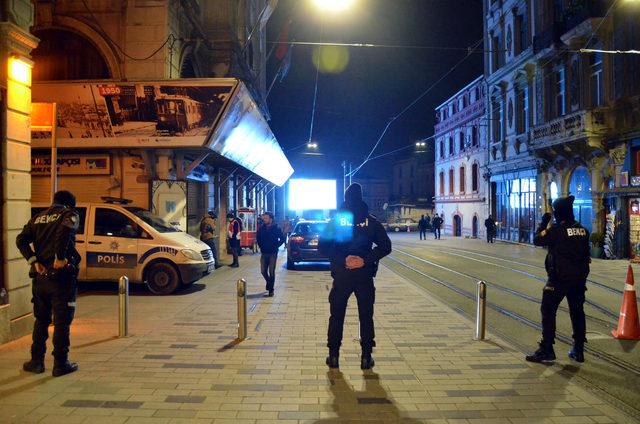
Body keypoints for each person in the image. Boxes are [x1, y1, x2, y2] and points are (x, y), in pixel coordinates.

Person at [319, 183, 392, 370]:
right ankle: (366, 357)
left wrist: (344, 259)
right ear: (362, 197)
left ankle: (333, 355)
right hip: (364, 276)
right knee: (366, 316)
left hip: (342, 275)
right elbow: (386, 247)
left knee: (337, 315)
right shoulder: (371, 221)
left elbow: (323, 248)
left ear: (345, 198)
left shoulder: (335, 222)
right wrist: (365, 260)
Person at [15, 190, 81, 377]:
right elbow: (65, 230)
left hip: (41, 278)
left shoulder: (37, 218)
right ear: (70, 205)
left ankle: (36, 361)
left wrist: (33, 260)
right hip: (61, 279)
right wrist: (60, 257)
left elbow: (20, 240)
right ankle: (61, 363)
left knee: (41, 320)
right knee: (62, 322)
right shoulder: (69, 215)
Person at [526, 196, 590, 364]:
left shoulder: (556, 230)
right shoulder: (583, 230)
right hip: (578, 279)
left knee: (547, 310)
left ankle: (547, 348)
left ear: (558, 213)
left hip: (559, 279)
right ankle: (578, 349)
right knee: (577, 312)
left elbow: (537, 239)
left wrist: (543, 222)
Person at [256, 212, 286, 297]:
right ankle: (269, 282)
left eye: (266, 218)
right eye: (264, 218)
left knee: (271, 271)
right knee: (263, 271)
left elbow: (282, 238)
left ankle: (271, 290)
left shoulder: (276, 228)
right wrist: (261, 246)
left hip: (273, 253)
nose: (264, 220)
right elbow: (258, 238)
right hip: (264, 252)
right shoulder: (262, 228)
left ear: (271, 219)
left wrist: (276, 245)